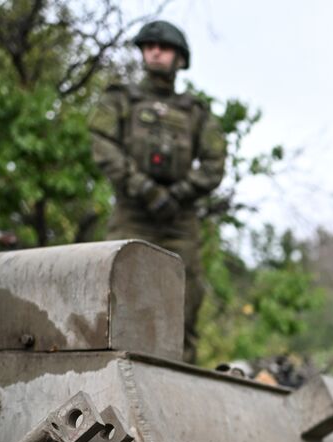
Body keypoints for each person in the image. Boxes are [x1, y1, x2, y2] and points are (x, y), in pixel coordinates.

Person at [89, 20, 225, 362]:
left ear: (179, 58)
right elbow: (103, 145)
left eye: (163, 47)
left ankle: (182, 378)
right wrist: (144, 189)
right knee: (116, 290)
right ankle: (108, 368)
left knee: (186, 298)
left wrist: (178, 194)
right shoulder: (120, 99)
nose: (155, 51)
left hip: (179, 218)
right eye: (148, 46)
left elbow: (214, 163)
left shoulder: (195, 112)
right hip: (133, 210)